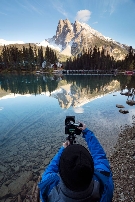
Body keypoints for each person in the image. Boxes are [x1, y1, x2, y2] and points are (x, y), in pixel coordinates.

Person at [38, 123, 114, 202]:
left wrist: (63, 149)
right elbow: (99, 157)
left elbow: (50, 170)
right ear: (92, 168)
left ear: (61, 171)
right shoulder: (104, 184)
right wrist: (86, 132)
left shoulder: (49, 188)